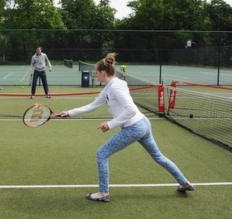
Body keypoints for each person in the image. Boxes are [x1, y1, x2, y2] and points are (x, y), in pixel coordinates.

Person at [56, 53, 194, 202]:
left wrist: (110, 124)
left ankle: (103, 193)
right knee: (158, 157)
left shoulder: (115, 87)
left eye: (96, 72)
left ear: (103, 72)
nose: (96, 75)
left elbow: (131, 110)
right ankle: (184, 182)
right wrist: (68, 113)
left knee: (101, 154)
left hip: (135, 127)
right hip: (143, 124)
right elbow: (92, 106)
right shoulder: (110, 87)